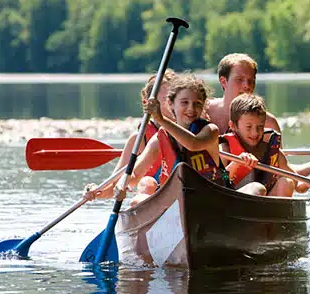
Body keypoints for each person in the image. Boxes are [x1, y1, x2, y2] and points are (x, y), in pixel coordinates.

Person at [206, 53, 310, 177]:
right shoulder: (203, 111)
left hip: (249, 188)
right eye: (239, 80)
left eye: (251, 80)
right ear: (223, 81)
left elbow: (282, 171)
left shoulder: (268, 122)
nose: (247, 86)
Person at [113, 73, 230, 205]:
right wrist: (123, 182)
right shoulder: (160, 138)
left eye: (197, 103)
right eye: (184, 102)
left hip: (211, 198)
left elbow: (193, 144)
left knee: (255, 188)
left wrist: (161, 120)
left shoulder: (210, 130)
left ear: (203, 106)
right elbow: (135, 174)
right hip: (175, 201)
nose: (191, 108)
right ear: (171, 104)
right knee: (138, 198)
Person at [83, 69, 177, 200]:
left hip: (182, 192)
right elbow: (113, 187)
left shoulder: (188, 131)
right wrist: (95, 191)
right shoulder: (138, 139)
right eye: (167, 99)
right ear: (148, 104)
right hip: (152, 195)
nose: (173, 104)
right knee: (146, 184)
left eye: (176, 99)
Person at [220, 93, 310, 197]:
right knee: (257, 188)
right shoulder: (225, 148)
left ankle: (278, 214)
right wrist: (236, 163)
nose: (255, 133)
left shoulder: (273, 152)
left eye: (260, 127)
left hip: (265, 205)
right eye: (249, 127)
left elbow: (297, 185)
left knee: (287, 182)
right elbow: (219, 179)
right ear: (233, 126)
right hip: (234, 200)